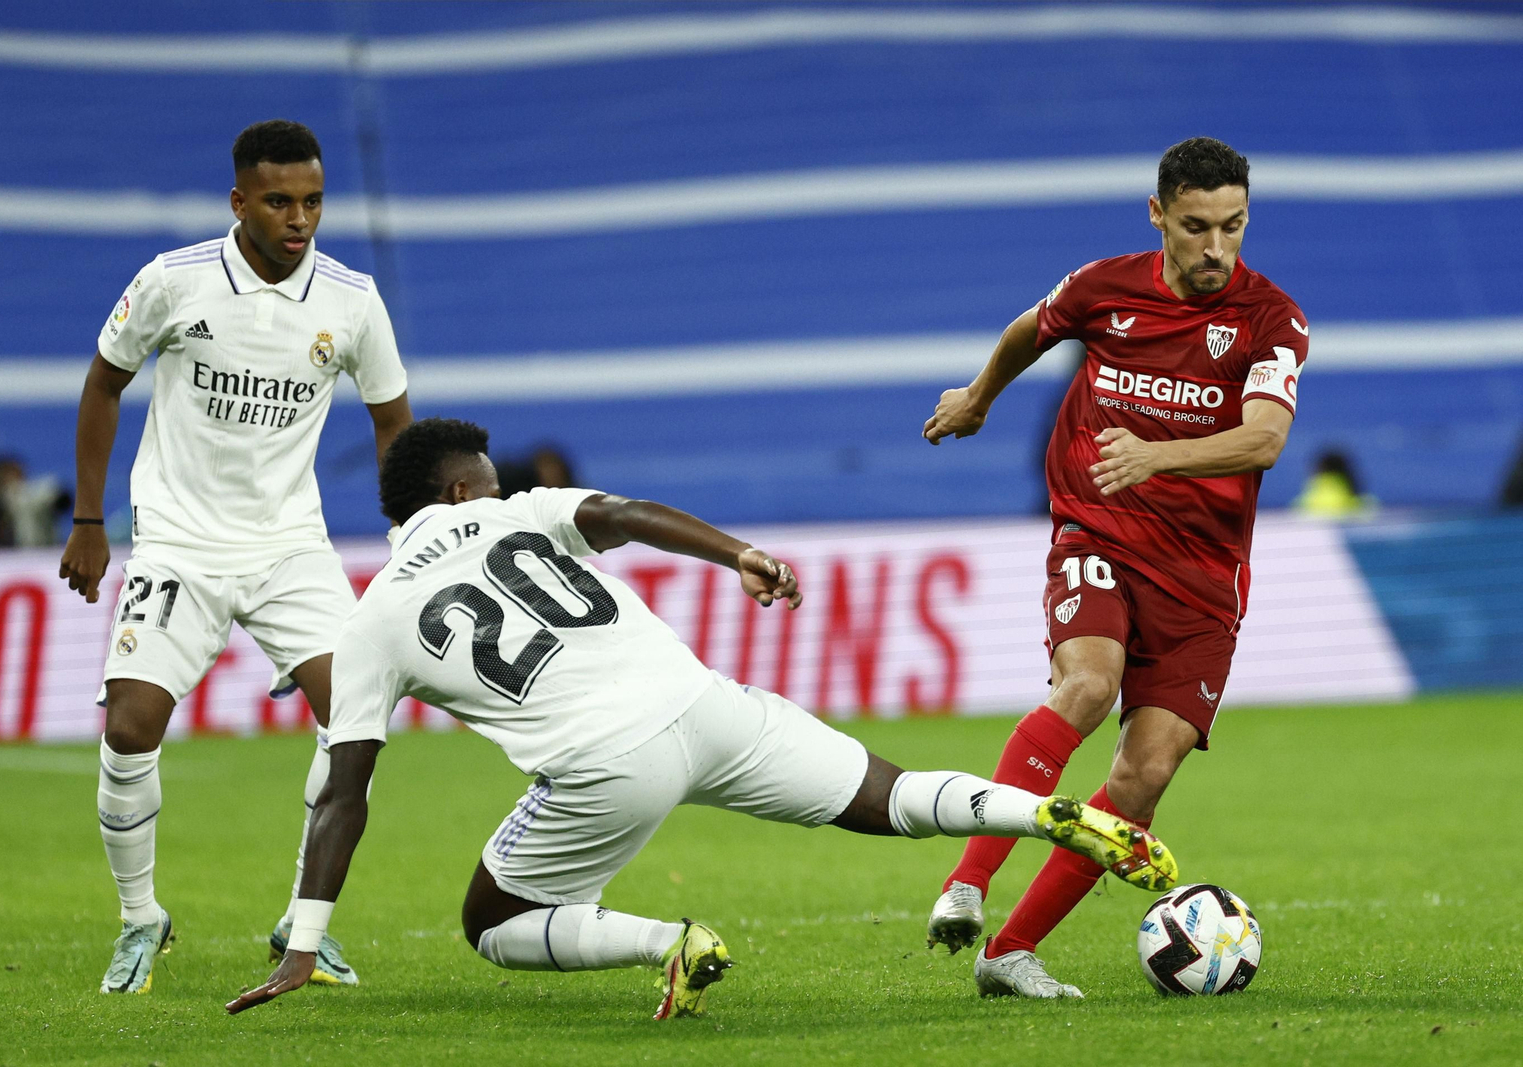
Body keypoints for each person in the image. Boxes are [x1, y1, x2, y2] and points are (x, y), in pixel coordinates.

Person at [224, 418, 1178, 1020]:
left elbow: (344, 793)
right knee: (885, 794)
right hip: (701, 700)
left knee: (491, 920)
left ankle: (666, 942)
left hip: (603, 766)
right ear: (461, 491)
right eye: (491, 481)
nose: (503, 492)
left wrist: (305, 940)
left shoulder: (371, 621)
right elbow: (630, 513)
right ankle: (1035, 809)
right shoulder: (519, 516)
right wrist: (739, 554)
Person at [920, 137, 1307, 999]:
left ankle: (1008, 955)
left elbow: (1267, 439)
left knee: (1147, 772)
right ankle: (968, 883)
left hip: (1203, 576)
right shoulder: (1104, 287)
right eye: (1198, 227)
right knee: (1087, 687)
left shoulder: (1271, 320)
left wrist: (1160, 456)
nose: (1217, 249)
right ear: (1158, 214)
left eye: (1235, 227)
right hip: (1097, 534)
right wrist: (980, 396)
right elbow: (1031, 328)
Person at [58, 119, 414, 994]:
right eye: (281, 200)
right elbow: (105, 380)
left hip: (291, 543)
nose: (301, 218)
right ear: (240, 201)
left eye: (314, 201)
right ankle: (142, 920)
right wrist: (89, 518)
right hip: (179, 538)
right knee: (130, 727)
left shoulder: (352, 299)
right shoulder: (173, 281)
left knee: (355, 721)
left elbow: (393, 418)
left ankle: (305, 922)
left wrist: (411, 540)